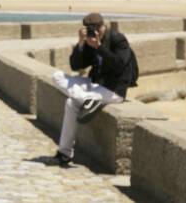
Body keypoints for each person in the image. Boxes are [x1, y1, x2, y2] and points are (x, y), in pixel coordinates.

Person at [51, 13, 138, 166]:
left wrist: (99, 47)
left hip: (113, 89)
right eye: (90, 29)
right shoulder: (89, 41)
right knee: (57, 76)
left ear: (102, 26)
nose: (94, 32)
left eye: (96, 28)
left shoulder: (118, 40)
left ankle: (64, 152)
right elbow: (76, 66)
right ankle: (86, 100)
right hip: (94, 85)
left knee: (71, 103)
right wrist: (81, 44)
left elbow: (118, 65)